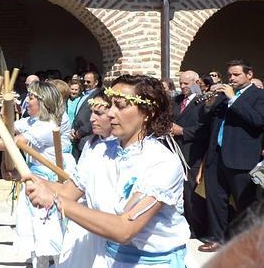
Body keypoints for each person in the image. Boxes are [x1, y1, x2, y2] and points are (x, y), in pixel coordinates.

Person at [25, 74, 192, 267]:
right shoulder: (100, 150)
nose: (111, 113)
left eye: (120, 106)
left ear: (148, 113)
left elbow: (125, 229)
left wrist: (56, 201)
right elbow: (68, 192)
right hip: (109, 259)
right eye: (111, 105)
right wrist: (35, 181)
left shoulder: (162, 162)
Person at [0, 81, 72, 268]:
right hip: (37, 178)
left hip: (52, 180)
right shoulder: (33, 121)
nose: (26, 102)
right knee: (36, 229)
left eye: (31, 98)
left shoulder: (49, 125)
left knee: (51, 229)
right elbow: (5, 129)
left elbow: (15, 141)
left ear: (43, 101)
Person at [199, 59, 264, 252]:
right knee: (215, 201)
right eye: (229, 75)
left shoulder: (259, 95)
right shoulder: (224, 96)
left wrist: (233, 99)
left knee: (245, 204)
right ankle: (217, 238)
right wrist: (210, 101)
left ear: (249, 74)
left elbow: (258, 120)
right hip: (217, 156)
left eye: (236, 74)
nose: (231, 78)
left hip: (241, 158)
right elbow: (206, 120)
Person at [59, 88, 113, 268]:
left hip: (111, 228)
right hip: (88, 225)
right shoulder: (92, 144)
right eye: (92, 112)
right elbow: (74, 188)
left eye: (99, 113)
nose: (91, 119)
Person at [171, 70, 209, 240]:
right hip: (175, 152)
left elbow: (205, 129)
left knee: (193, 195)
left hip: (193, 155)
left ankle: (197, 230)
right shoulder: (176, 101)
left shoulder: (204, 102)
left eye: (186, 83)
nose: (183, 86)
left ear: (196, 82)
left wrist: (183, 131)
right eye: (180, 83)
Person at [71, 71, 101, 159]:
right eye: (84, 81)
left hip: (87, 136)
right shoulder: (83, 94)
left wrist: (80, 132)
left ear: (96, 82)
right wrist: (73, 127)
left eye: (88, 82)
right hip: (77, 137)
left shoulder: (98, 95)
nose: (85, 84)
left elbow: (96, 116)